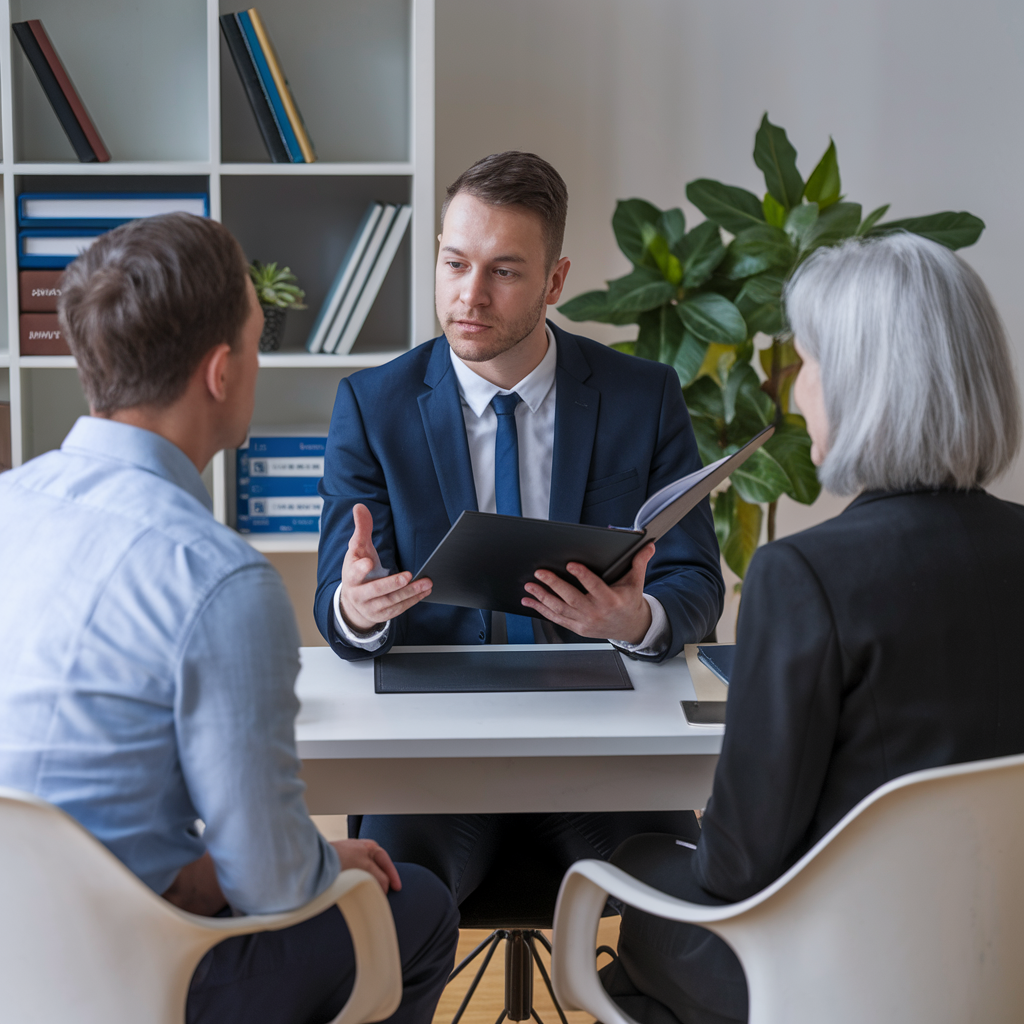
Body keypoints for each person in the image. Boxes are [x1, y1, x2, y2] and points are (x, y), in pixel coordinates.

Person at [0, 214, 459, 1024]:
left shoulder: (10, 509)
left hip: (17, 967)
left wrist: (230, 865)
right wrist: (325, 864)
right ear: (221, 372)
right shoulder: (217, 579)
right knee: (414, 904)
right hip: (143, 975)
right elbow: (273, 884)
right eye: (255, 340)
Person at [600, 231, 1024, 1024]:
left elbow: (735, 868)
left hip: (842, 980)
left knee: (641, 881)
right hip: (1006, 970)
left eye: (811, 366)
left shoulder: (804, 577)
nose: (797, 395)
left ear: (868, 386)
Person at [314, 151, 725, 903]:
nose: (470, 295)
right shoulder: (372, 406)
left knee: (694, 905)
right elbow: (335, 607)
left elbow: (695, 579)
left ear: (555, 281)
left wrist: (638, 617)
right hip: (433, 764)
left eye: (504, 271)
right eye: (454, 262)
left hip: (605, 749)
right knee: (388, 908)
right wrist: (358, 610)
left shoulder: (644, 396)